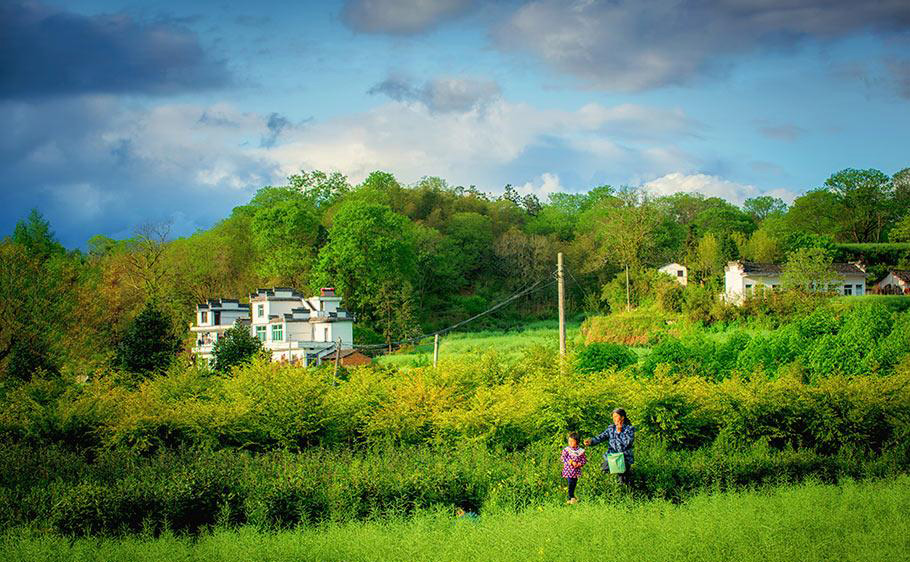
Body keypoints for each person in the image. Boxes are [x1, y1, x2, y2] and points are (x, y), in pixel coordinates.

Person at [584, 408, 635, 485]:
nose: (614, 419)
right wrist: (591, 441)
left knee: (622, 481)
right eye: (613, 417)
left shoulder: (629, 429)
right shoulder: (611, 428)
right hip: (612, 456)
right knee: (603, 469)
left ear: (622, 417)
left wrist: (619, 432)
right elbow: (601, 437)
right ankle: (606, 488)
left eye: (616, 416)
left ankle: (627, 484)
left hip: (624, 457)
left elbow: (625, 445)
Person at [561, 431, 587, 504]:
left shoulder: (581, 451)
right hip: (569, 470)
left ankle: (572, 497)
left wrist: (579, 464)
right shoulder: (567, 450)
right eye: (569, 441)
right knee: (570, 482)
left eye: (572, 441)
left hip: (576, 470)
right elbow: (563, 458)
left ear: (577, 442)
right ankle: (570, 497)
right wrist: (571, 462)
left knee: (574, 483)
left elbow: (584, 460)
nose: (570, 443)